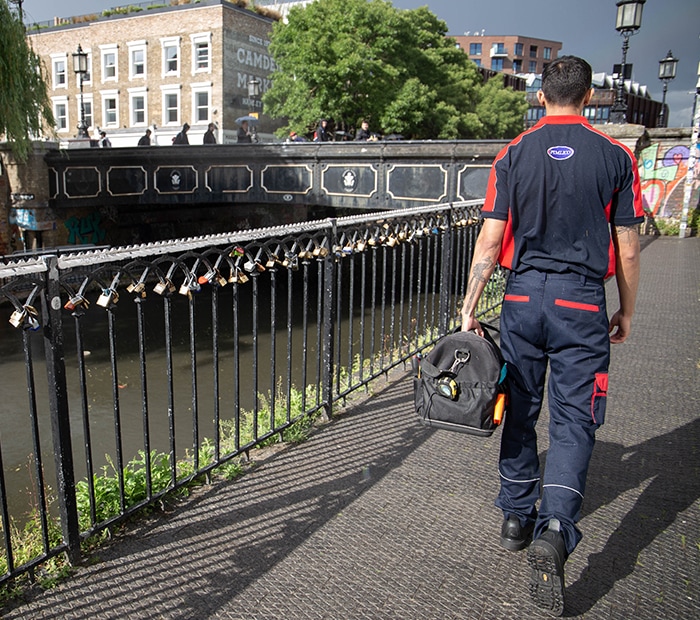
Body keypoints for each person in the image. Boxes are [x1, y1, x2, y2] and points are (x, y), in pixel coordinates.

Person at [459, 56, 643, 617]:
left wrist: (469, 307)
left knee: (517, 405)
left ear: (542, 97)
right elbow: (628, 247)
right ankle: (556, 527)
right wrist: (626, 311)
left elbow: (490, 243)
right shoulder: (616, 157)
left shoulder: (513, 154)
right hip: (580, 301)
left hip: (521, 297)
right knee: (574, 417)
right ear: (589, 97)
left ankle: (516, 516)